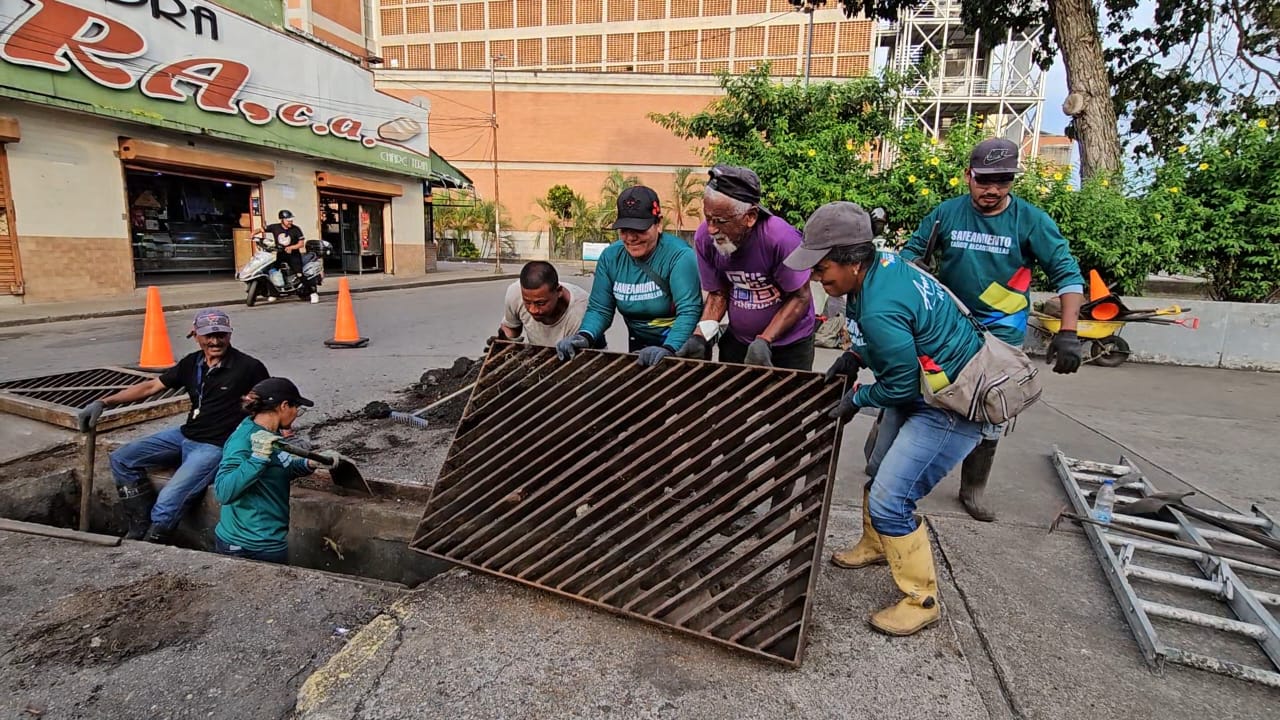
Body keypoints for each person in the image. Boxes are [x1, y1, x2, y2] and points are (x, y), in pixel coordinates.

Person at [784, 201, 988, 637]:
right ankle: (877, 543)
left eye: (822, 270)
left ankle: (922, 599)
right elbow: (900, 340)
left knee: (892, 498)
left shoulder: (879, 303)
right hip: (925, 384)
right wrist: (855, 355)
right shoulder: (880, 267)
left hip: (951, 403)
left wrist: (858, 397)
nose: (817, 279)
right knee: (877, 469)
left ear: (853, 261)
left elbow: (899, 386)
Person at [885, 137, 1086, 522]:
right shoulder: (947, 214)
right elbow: (911, 254)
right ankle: (890, 461)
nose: (993, 190)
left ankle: (973, 487)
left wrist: (1069, 332)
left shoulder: (1031, 221)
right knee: (918, 394)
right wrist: (915, 269)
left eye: (1003, 180)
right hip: (945, 328)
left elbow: (1068, 275)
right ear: (968, 176)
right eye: (984, 180)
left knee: (991, 411)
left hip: (1001, 336)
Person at [77, 309, 270, 543]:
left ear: (229, 335)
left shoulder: (248, 367)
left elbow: (270, 403)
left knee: (168, 502)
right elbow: (151, 387)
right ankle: (139, 525)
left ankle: (151, 544)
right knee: (122, 458)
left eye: (221, 335)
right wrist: (104, 402)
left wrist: (275, 437)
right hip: (185, 435)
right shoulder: (192, 363)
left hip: (214, 446)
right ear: (195, 334)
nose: (215, 341)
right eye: (208, 335)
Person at [675, 165, 816, 369]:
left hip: (790, 345)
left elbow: (800, 297)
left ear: (750, 217)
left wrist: (765, 339)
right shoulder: (705, 238)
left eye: (721, 221)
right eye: (708, 218)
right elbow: (718, 294)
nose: (712, 229)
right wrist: (700, 336)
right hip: (739, 342)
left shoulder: (780, 239)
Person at [555, 186, 702, 367]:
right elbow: (600, 309)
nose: (631, 237)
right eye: (624, 230)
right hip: (639, 344)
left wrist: (670, 349)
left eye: (639, 229)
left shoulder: (679, 256)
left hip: (680, 345)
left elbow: (689, 312)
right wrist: (584, 335)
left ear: (659, 223)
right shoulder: (611, 258)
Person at [213, 377, 338, 564]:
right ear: (284, 406)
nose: (297, 414)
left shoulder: (270, 435)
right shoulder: (244, 441)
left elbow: (279, 468)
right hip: (246, 546)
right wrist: (257, 458)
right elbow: (223, 492)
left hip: (269, 539)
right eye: (297, 409)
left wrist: (309, 463)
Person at [493, 261, 590, 347]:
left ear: (559, 291)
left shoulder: (582, 311)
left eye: (540, 303)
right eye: (527, 302)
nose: (532, 310)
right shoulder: (515, 293)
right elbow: (511, 327)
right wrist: (503, 341)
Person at [265, 209, 317, 304]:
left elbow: (301, 243)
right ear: (282, 220)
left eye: (291, 220)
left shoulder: (296, 229)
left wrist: (292, 247)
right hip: (280, 254)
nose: (290, 222)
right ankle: (273, 294)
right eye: (288, 220)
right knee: (270, 271)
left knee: (299, 274)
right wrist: (253, 234)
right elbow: (262, 229)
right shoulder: (275, 227)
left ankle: (313, 293)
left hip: (293, 255)